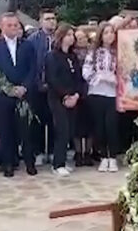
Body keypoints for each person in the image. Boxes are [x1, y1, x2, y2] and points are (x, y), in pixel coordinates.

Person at [0, 12, 39, 178]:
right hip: (4, 95)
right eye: (9, 25)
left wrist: (25, 87)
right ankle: (8, 163)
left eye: (16, 25)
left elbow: (33, 69)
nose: (13, 28)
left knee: (26, 130)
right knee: (6, 131)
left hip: (24, 95)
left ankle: (30, 162)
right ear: (2, 27)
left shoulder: (27, 45)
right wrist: (8, 88)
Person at [45, 24, 87, 177]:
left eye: (72, 35)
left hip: (73, 98)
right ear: (61, 36)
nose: (71, 38)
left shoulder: (73, 56)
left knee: (69, 130)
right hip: (57, 99)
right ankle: (58, 164)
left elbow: (79, 78)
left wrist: (76, 95)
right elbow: (52, 79)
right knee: (62, 130)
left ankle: (62, 160)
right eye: (68, 35)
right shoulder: (52, 56)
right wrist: (65, 96)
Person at [83, 23, 119, 173]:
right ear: (101, 35)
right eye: (106, 33)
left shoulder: (118, 52)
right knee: (99, 126)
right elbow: (86, 71)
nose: (109, 35)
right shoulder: (93, 53)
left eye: (112, 32)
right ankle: (103, 156)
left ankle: (113, 157)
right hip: (96, 92)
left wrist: (114, 79)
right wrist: (99, 78)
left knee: (111, 126)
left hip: (112, 94)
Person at [28, 8, 58, 167]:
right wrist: (37, 82)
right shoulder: (32, 40)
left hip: (56, 87)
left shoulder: (59, 38)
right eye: (47, 19)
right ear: (40, 22)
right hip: (37, 86)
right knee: (37, 120)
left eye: (53, 18)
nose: (51, 21)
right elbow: (30, 63)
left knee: (55, 120)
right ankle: (38, 151)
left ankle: (53, 151)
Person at [72, 27, 93, 166]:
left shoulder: (93, 53)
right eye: (78, 38)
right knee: (76, 126)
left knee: (90, 125)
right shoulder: (71, 55)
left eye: (83, 37)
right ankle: (78, 153)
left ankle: (88, 153)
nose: (81, 40)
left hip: (91, 91)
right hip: (75, 91)